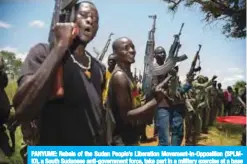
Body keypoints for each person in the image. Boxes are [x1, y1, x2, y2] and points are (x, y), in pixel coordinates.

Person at [13, 1, 108, 146]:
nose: (90, 21)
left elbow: (97, 116)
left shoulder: (98, 68)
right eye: (84, 15)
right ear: (70, 18)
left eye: (95, 20)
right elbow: (22, 110)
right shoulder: (43, 53)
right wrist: (60, 47)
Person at [107, 37, 166, 146]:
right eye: (126, 48)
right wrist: (155, 101)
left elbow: (135, 102)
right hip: (121, 141)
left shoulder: (128, 76)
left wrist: (152, 95)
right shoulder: (120, 77)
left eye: (132, 47)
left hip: (130, 137)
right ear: (115, 54)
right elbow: (127, 115)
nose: (131, 50)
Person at [0, 56, 14, 157]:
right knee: (11, 126)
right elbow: (5, 83)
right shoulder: (3, 74)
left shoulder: (3, 74)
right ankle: (11, 147)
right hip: (4, 106)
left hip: (4, 107)